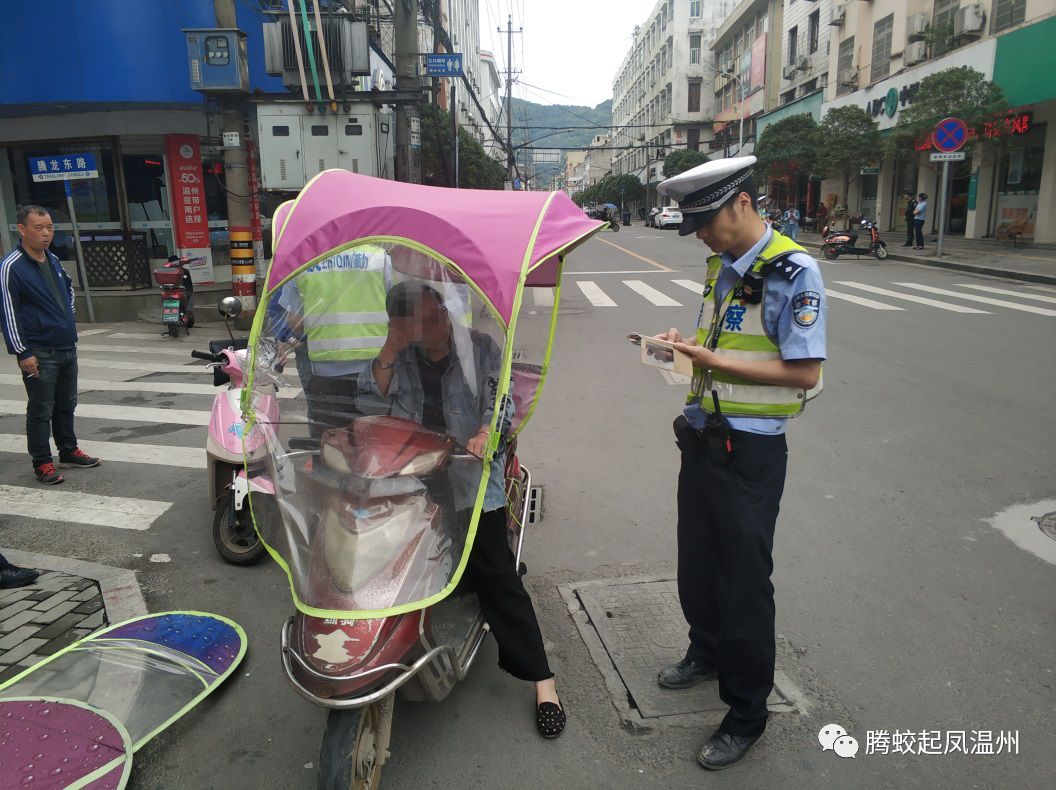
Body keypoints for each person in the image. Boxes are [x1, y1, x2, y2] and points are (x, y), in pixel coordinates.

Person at [652, 156, 826, 770]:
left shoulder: (793, 272)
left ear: (743, 204)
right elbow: (721, 345)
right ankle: (707, 650)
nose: (702, 234)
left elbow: (804, 371)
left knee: (746, 582)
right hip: (702, 436)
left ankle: (747, 711)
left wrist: (713, 361)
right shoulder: (722, 268)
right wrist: (683, 349)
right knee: (697, 564)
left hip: (750, 451)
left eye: (707, 222)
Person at [359, 281, 566, 739]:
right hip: (413, 473)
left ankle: (544, 683)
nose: (438, 327)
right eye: (422, 322)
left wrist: (486, 431)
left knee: (497, 576)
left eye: (439, 316)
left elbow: (501, 401)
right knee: (390, 557)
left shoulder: (480, 348)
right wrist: (390, 349)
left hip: (471, 473)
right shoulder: (402, 356)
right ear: (401, 326)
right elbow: (368, 405)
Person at [0, 206, 100, 485]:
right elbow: (9, 312)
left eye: (50, 227)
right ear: (22, 229)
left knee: (67, 403)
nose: (46, 233)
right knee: (41, 408)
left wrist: (67, 317)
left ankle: (68, 450)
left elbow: (68, 289)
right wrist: (23, 352)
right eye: (38, 228)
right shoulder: (11, 267)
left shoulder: (52, 259)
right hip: (39, 351)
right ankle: (42, 462)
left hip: (66, 345)